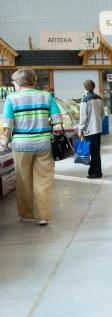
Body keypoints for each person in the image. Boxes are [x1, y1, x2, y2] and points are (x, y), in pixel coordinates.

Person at [1, 69, 63, 226]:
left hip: (21, 145)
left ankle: (28, 214)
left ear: (18, 83)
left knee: (23, 181)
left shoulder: (11, 98)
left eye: (14, 82)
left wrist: (6, 141)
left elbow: (7, 125)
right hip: (44, 144)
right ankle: (43, 216)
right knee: (43, 181)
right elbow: (57, 120)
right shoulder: (46, 96)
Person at [78, 80, 105, 179]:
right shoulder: (99, 98)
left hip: (89, 130)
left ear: (84, 87)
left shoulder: (85, 100)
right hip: (98, 128)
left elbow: (83, 117)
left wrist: (80, 130)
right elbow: (103, 114)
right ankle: (92, 170)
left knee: (93, 152)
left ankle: (97, 172)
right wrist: (97, 122)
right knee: (95, 151)